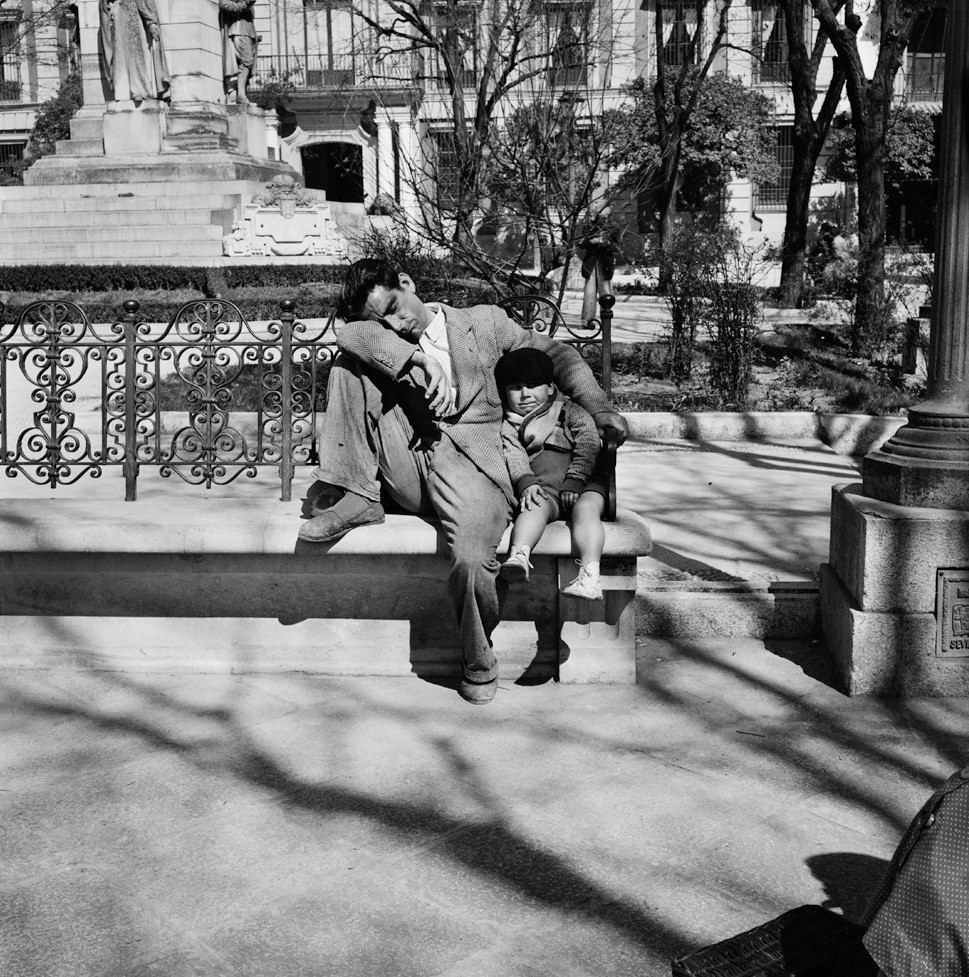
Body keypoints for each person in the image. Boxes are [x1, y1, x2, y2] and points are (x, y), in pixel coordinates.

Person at [297, 259, 627, 705]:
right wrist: (416, 359)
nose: (396, 323)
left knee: (472, 561)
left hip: (477, 464)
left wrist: (600, 408)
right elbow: (348, 333)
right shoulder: (384, 338)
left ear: (409, 284)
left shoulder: (484, 323)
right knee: (346, 367)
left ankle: (478, 656)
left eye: (396, 307)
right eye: (383, 319)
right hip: (411, 463)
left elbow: (557, 355)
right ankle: (359, 494)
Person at [495, 348, 607, 601]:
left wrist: (576, 480)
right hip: (547, 491)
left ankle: (590, 575)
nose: (525, 395)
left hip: (584, 486)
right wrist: (526, 483)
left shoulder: (569, 412)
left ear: (549, 387)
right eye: (516, 387)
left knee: (586, 511)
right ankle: (519, 556)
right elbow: (513, 454)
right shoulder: (508, 425)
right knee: (532, 507)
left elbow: (588, 443)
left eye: (533, 386)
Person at [98, 0, 170, 103]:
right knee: (120, 58)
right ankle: (123, 90)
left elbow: (145, 3)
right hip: (117, 16)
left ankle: (139, 90)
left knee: (136, 56)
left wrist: (151, 22)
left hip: (132, 15)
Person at [220, 0, 259, 104]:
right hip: (239, 31)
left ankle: (241, 93)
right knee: (247, 61)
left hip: (248, 32)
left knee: (248, 63)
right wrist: (247, 3)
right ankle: (240, 94)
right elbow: (226, 5)